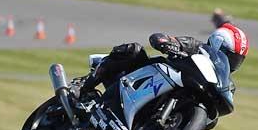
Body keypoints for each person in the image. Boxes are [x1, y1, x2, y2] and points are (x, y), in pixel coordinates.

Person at [79, 21, 248, 98]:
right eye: (231, 56)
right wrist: (168, 44)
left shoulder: (226, 84)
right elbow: (159, 38)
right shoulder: (195, 46)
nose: (232, 62)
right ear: (217, 44)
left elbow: (213, 119)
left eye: (237, 60)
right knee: (134, 50)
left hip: (176, 96)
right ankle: (84, 86)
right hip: (145, 78)